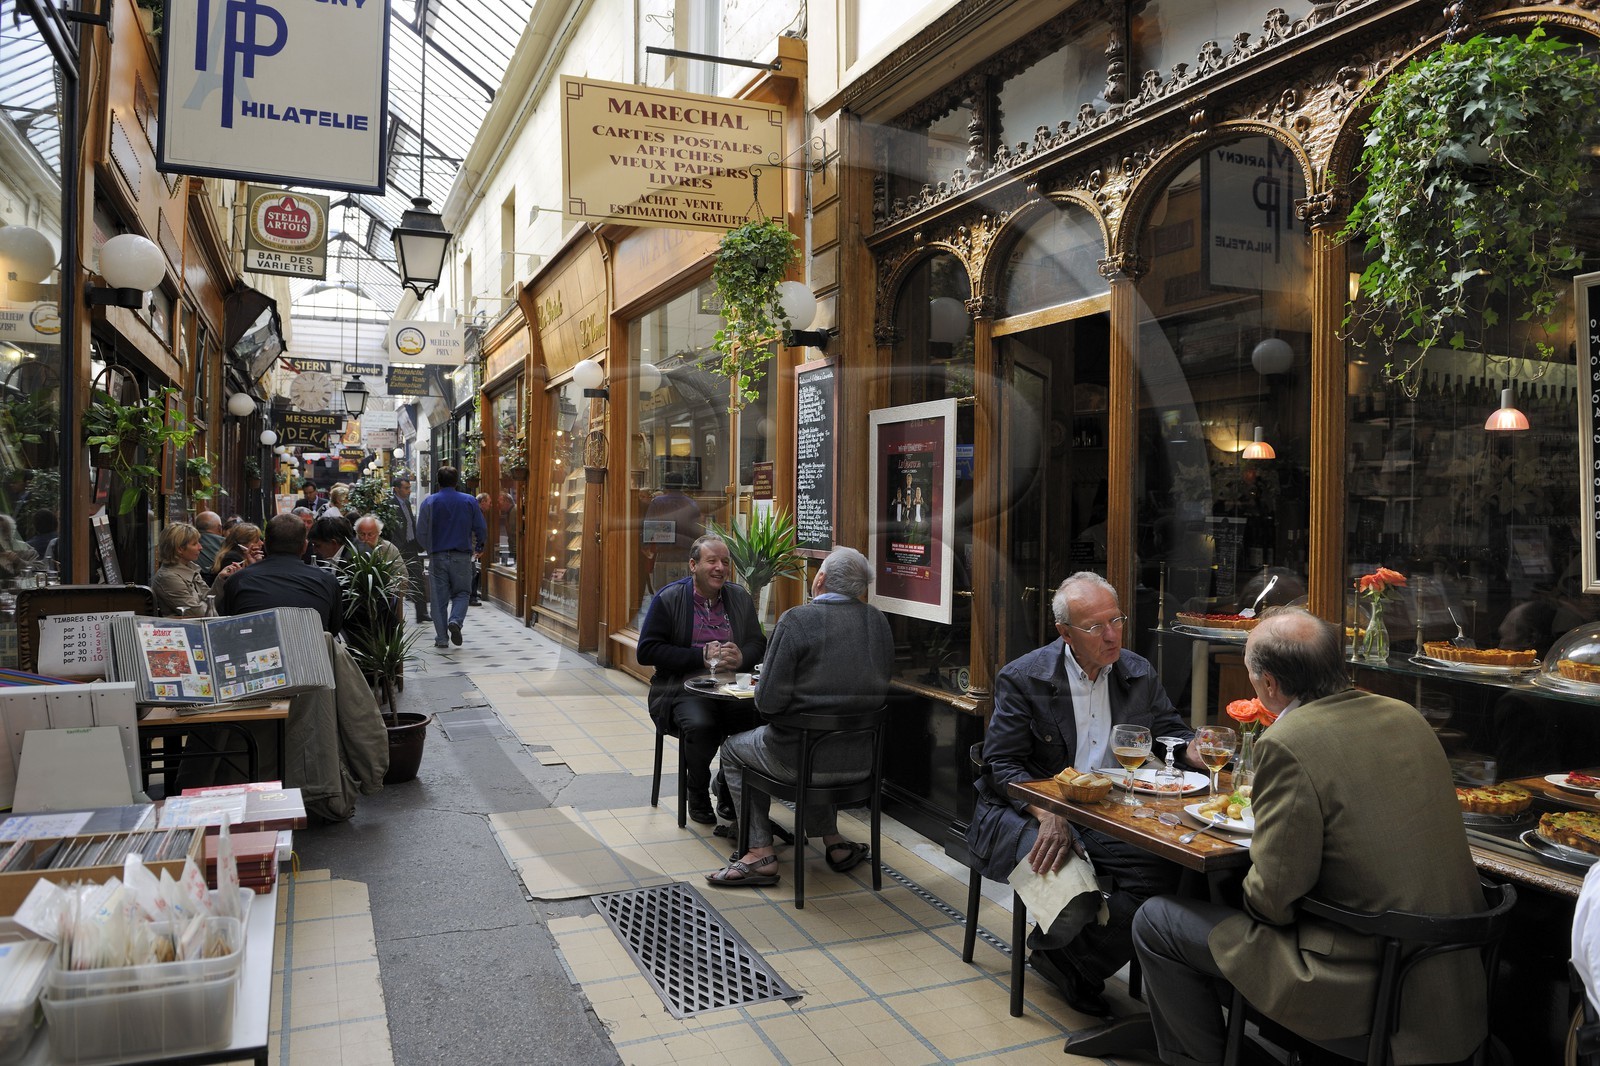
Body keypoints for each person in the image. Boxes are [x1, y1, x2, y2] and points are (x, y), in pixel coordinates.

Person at [1132, 608, 1487, 1066]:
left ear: (1270, 686)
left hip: (1366, 987)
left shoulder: (1288, 739)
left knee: (1158, 920)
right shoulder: (1406, 716)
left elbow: (1272, 899)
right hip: (1453, 978)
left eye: (1250, 674)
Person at [968, 571, 1201, 1017]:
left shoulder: (1137, 671)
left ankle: (1070, 961)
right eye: (1095, 626)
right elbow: (1001, 766)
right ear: (1065, 633)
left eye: (1116, 620)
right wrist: (1047, 809)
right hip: (1027, 809)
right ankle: (1072, 955)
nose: (1111, 635)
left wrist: (1194, 748)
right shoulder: (1024, 678)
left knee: (1171, 876)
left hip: (1109, 807)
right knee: (1074, 890)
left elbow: (1169, 732)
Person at [707, 547, 894, 888]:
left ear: (820, 579)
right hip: (863, 760)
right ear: (860, 588)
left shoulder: (796, 620)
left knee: (734, 748)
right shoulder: (878, 620)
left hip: (798, 760)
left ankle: (759, 851)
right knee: (813, 739)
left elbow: (768, 704)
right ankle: (834, 842)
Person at [637, 535, 767, 825]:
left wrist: (741, 657)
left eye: (725, 561)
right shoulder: (669, 598)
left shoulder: (739, 597)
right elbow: (647, 651)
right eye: (712, 561)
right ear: (693, 565)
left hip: (733, 686)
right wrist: (699, 658)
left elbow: (759, 643)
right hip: (682, 687)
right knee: (702, 726)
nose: (720, 567)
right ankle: (696, 788)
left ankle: (726, 787)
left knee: (756, 721)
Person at [217, 513, 342, 634]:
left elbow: (226, 625)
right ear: (305, 546)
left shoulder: (239, 580)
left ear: (265, 544)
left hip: (255, 650)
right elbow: (333, 629)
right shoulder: (327, 581)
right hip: (311, 652)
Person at [417, 466, 486, 649]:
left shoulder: (429, 502)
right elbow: (481, 527)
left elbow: (421, 531)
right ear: (457, 481)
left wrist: (430, 548)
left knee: (438, 599)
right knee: (462, 593)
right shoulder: (469, 501)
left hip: (438, 556)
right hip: (461, 556)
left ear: (438, 481)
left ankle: (441, 639)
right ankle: (455, 620)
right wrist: (479, 546)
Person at [152, 522, 243, 618]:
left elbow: (210, 601)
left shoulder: (191, 567)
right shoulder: (168, 577)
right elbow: (199, 613)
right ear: (180, 549)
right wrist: (206, 604)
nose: (200, 547)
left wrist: (221, 578)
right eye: (195, 544)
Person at [390, 476, 430, 623]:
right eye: (406, 488)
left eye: (409, 487)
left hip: (411, 546)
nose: (409, 490)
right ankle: (395, 615)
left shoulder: (406, 503)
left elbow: (411, 524)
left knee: (418, 579)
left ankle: (422, 613)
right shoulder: (390, 504)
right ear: (396, 489)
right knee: (398, 582)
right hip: (399, 548)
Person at [353, 515, 407, 602]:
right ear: (356, 533)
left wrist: (391, 590)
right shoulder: (351, 550)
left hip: (386, 599)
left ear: (378, 533)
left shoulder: (389, 548)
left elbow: (402, 575)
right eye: (362, 534)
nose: (366, 539)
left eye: (370, 534)